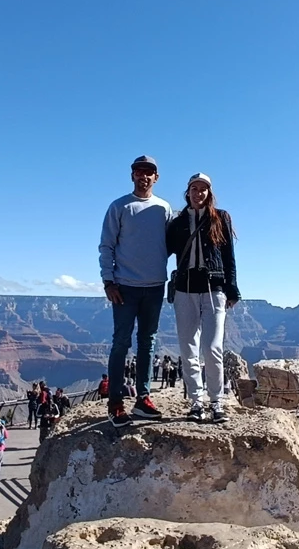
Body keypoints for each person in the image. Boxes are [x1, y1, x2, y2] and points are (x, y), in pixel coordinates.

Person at [99, 155, 173, 427]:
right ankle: (115, 403)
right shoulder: (119, 207)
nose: (144, 176)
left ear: (156, 177)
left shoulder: (164, 208)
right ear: (132, 175)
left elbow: (174, 242)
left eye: (149, 172)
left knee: (148, 343)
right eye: (139, 171)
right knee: (121, 343)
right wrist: (109, 281)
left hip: (155, 287)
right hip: (125, 288)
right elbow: (106, 245)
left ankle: (143, 399)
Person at [167, 173, 240, 424]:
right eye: (194, 188)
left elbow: (229, 256)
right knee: (188, 349)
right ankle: (196, 403)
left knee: (212, 348)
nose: (198, 193)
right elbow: (162, 251)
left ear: (209, 193)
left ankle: (217, 402)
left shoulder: (220, 218)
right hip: (185, 290)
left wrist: (233, 289)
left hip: (213, 289)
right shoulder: (177, 223)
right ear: (187, 192)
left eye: (203, 189)